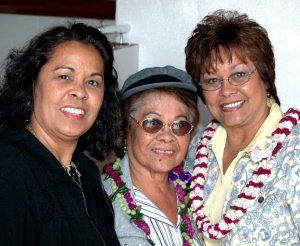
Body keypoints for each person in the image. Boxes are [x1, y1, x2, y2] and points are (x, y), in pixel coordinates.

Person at [184, 9, 300, 245]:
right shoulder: (197, 147)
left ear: (266, 79)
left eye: (239, 74)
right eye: (212, 80)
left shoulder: (294, 153)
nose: (226, 90)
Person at [0, 22, 121, 245]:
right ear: (31, 84)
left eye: (93, 82)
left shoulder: (86, 171)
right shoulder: (9, 170)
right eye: (64, 76)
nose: (80, 91)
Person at [102, 65, 205, 246]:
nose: (167, 137)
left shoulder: (198, 191)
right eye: (152, 123)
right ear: (126, 127)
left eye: (179, 125)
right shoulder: (101, 201)